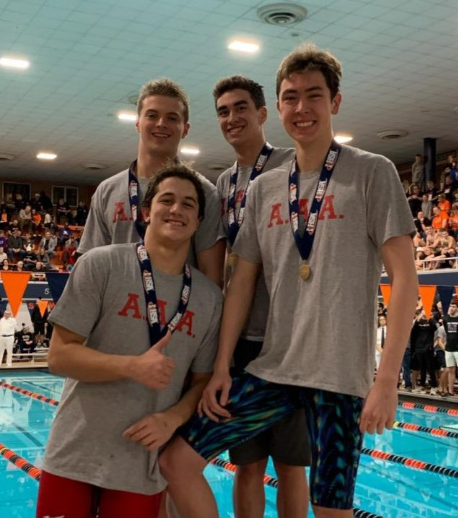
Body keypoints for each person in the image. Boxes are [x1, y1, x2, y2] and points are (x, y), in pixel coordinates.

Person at [160, 43, 418, 518]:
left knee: (331, 511)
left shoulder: (371, 172)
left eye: (314, 95)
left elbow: (406, 279)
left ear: (335, 102)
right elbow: (240, 283)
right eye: (291, 97)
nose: (302, 108)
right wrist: (221, 367)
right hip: (271, 370)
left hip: (340, 379)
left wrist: (386, 380)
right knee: (177, 460)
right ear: (277, 107)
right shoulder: (264, 188)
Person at [36, 164, 223, 518]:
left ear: (199, 222)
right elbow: (58, 357)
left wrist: (172, 418)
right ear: (145, 212)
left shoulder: (209, 298)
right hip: (73, 454)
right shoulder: (100, 266)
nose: (176, 210)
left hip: (141, 467)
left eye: (188, 205)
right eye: (167, 200)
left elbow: (201, 381)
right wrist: (132, 367)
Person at [213, 75, 310, 518]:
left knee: (291, 465)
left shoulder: (295, 164)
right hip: (242, 342)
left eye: (240, 108)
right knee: (247, 464)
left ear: (263, 113)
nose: (232, 118)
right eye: (223, 111)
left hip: (290, 341)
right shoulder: (223, 183)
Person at [77, 78, 224, 286]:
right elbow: (89, 266)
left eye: (172, 118)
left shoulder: (204, 192)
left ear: (185, 129)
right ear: (138, 123)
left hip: (177, 313)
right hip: (115, 313)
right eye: (152, 115)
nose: (161, 124)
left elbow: (211, 274)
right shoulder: (107, 191)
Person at [444, 299, 458, 397]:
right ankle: (450, 391)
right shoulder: (446, 319)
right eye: (450, 306)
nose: (451, 308)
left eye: (453, 306)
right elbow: (446, 332)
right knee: (451, 370)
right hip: (449, 348)